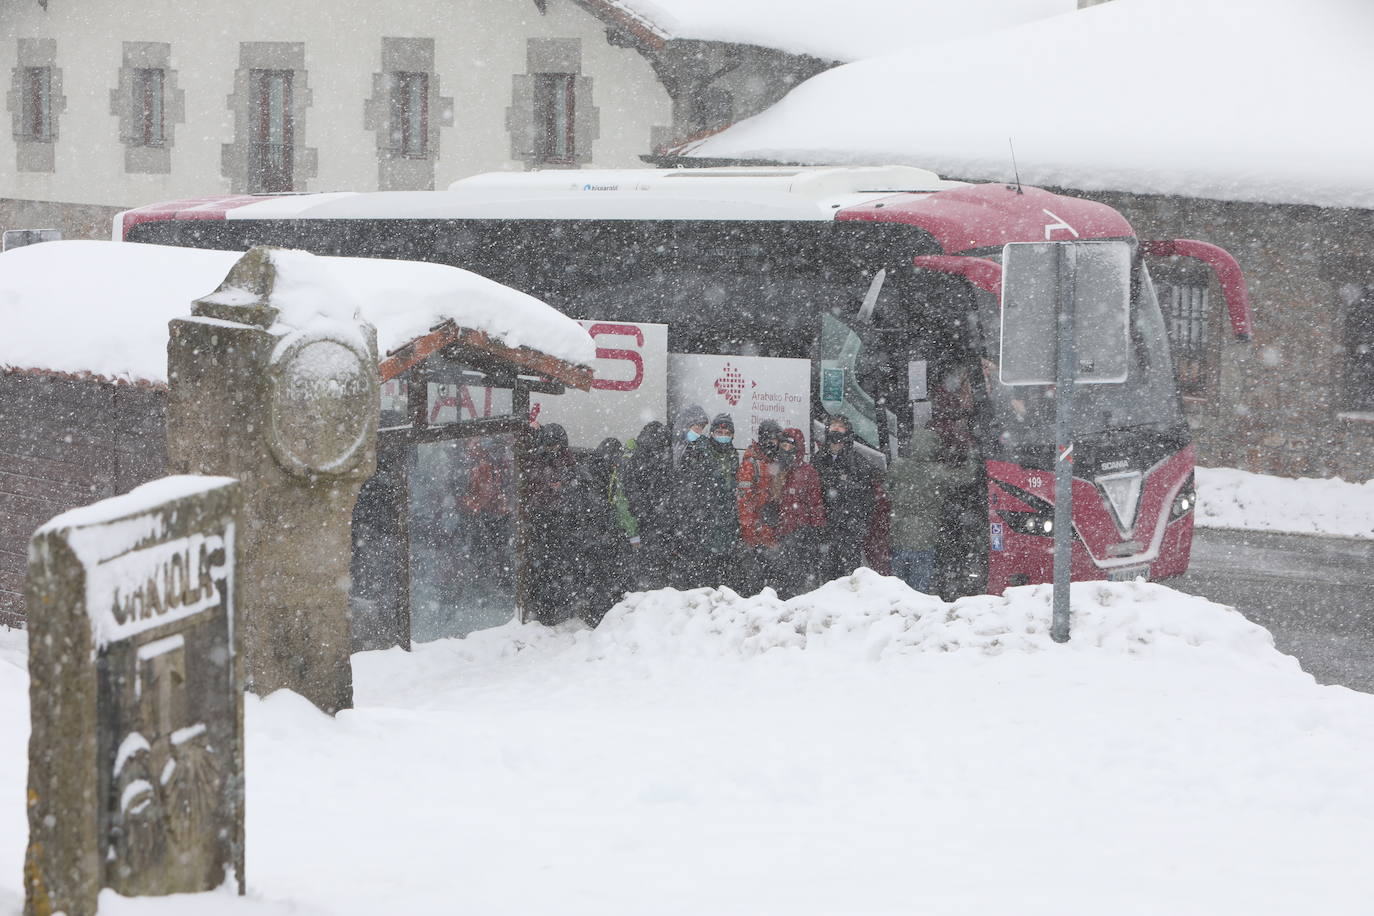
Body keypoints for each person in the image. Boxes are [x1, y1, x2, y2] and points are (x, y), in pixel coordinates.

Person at [885, 427, 976, 594]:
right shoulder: (937, 471)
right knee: (919, 589)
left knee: (897, 588)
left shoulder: (897, 466)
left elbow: (887, 490)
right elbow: (968, 476)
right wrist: (973, 454)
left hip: (899, 535)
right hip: (925, 538)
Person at [524, 423, 580, 624]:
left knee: (557, 563)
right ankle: (546, 607)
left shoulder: (566, 459)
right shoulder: (538, 460)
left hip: (559, 517)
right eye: (549, 446)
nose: (552, 450)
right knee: (545, 564)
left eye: (555, 446)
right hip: (543, 517)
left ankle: (557, 605)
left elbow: (574, 480)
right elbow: (533, 484)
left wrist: (562, 485)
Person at [813, 413, 879, 582]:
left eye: (840, 426)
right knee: (827, 579)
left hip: (849, 531)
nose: (836, 429)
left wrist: (858, 526)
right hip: (825, 531)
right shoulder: (818, 460)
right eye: (833, 425)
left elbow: (868, 499)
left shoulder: (858, 462)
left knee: (849, 579)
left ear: (847, 432)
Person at [677, 412, 740, 588]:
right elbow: (687, 469)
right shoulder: (701, 448)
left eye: (727, 433)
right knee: (705, 566)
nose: (723, 436)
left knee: (725, 564)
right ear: (711, 433)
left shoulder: (733, 454)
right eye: (719, 433)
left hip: (726, 517)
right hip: (705, 516)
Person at [621, 420, 675, 589]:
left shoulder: (642, 455)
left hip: (650, 516)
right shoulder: (657, 455)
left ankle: (649, 586)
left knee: (648, 556)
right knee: (652, 555)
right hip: (652, 517)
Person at [773, 427, 826, 598]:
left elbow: (816, 503)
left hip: (800, 534)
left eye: (790, 446)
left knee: (797, 578)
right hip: (779, 532)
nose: (786, 450)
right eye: (783, 446)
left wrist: (815, 529)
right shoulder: (775, 469)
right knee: (780, 579)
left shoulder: (808, 472)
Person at [736, 420, 785, 594]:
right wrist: (752, 529)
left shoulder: (776, 461)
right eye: (769, 438)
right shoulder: (751, 464)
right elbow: (744, 502)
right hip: (756, 535)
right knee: (755, 583)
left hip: (772, 532)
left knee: (773, 584)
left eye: (776, 439)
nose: (773, 443)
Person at [672, 404, 709, 470]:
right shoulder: (669, 444)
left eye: (702, 428)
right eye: (697, 427)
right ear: (685, 425)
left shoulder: (698, 449)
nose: (700, 432)